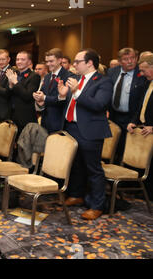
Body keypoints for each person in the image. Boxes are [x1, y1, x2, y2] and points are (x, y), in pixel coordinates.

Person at [58, 48, 113, 220]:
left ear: (89, 63)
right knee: (75, 165)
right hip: (71, 128)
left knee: (93, 168)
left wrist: (77, 92)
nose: (74, 65)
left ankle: (97, 205)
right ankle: (76, 194)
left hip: (90, 130)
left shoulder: (103, 81)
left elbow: (98, 105)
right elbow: (69, 104)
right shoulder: (77, 80)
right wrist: (62, 96)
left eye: (77, 62)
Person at [108, 48, 148, 164]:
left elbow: (142, 101)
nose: (130, 61)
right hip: (114, 116)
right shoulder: (112, 72)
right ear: (120, 61)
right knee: (113, 147)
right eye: (126, 59)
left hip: (132, 117)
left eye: (132, 58)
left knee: (128, 150)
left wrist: (135, 120)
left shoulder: (141, 74)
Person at [127, 54, 153, 200]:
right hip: (144, 130)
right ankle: (144, 193)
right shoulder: (147, 83)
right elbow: (141, 106)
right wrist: (134, 121)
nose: (141, 74)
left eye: (144, 70)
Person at [33, 48, 73, 133]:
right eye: (47, 61)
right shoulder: (47, 76)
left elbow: (64, 99)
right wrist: (39, 99)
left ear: (59, 60)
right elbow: (43, 95)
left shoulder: (68, 76)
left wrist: (44, 98)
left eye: (51, 61)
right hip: (45, 120)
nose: (48, 64)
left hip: (59, 121)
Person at [5, 51, 40, 137]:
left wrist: (15, 82)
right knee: (11, 148)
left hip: (25, 118)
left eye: (23, 59)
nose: (19, 62)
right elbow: (7, 95)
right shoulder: (14, 74)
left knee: (24, 148)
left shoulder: (34, 76)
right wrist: (10, 85)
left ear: (29, 62)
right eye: (17, 59)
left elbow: (27, 96)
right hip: (12, 116)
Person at [0, 49, 11, 122]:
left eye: (3, 59)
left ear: (8, 59)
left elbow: (8, 92)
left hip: (5, 111)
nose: (1, 62)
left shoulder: (12, 71)